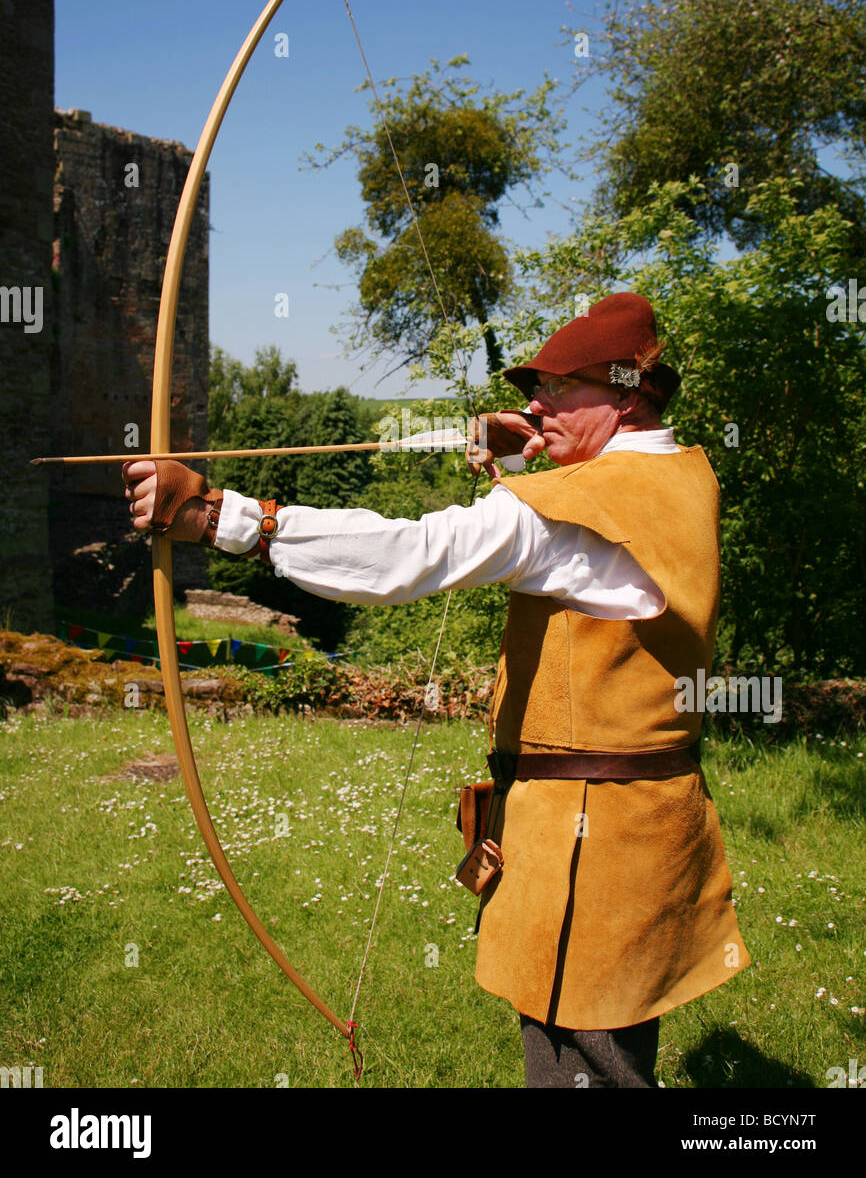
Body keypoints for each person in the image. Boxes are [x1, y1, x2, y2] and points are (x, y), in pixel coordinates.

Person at [122, 291, 750, 1088]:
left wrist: (228, 518)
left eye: (558, 386)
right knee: (612, 1052)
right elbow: (584, 539)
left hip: (590, 849)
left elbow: (407, 556)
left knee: (583, 1069)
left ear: (626, 394)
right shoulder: (682, 475)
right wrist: (534, 449)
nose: (532, 402)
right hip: (645, 832)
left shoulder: (575, 509)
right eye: (536, 387)